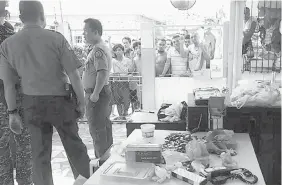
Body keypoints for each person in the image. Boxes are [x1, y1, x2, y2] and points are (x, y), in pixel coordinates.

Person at [0, 1, 90, 184]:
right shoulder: (56, 39)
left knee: (39, 156)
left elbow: (8, 84)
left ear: (21, 16)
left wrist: (12, 113)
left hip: (31, 105)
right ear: (42, 15)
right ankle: (88, 181)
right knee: (76, 149)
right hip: (61, 102)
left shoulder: (7, 45)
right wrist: (82, 102)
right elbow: (74, 74)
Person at [0, 7, 33, 185]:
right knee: (22, 145)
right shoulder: (12, 33)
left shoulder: (10, 30)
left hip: (15, 95)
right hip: (17, 94)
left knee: (18, 146)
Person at [82, 18, 113, 158]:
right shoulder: (98, 48)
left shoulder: (98, 50)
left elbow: (102, 72)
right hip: (100, 92)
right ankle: (105, 158)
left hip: (97, 94)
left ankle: (102, 161)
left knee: (97, 128)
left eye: (86, 31)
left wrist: (95, 94)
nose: (84, 34)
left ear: (95, 32)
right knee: (103, 127)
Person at [110, 44, 131, 119]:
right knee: (117, 100)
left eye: (119, 50)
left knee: (126, 99)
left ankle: (125, 112)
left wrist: (121, 74)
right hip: (116, 82)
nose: (118, 52)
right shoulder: (112, 61)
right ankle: (120, 116)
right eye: (116, 50)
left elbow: (128, 71)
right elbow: (111, 72)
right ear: (114, 52)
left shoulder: (128, 60)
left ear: (123, 50)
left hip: (125, 82)